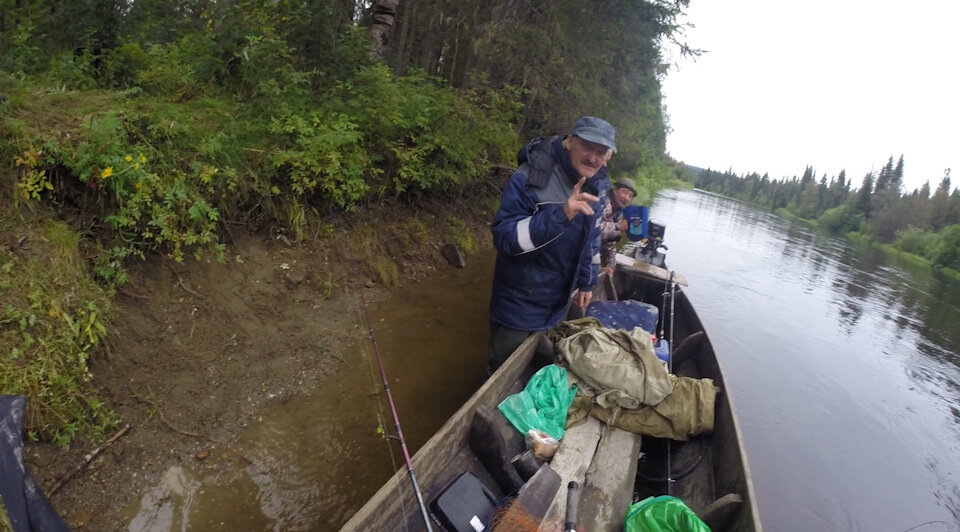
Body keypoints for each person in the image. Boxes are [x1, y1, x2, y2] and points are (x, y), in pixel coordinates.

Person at [487, 116, 616, 374]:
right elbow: (504, 237)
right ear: (570, 142)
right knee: (500, 370)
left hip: (556, 300)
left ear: (608, 157)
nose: (593, 157)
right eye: (588, 147)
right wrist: (561, 215)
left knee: (534, 365)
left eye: (601, 152)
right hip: (519, 300)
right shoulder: (531, 176)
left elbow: (591, 240)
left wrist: (587, 281)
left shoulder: (598, 185)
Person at [599, 177, 636, 276]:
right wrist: (618, 226)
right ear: (615, 190)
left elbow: (610, 242)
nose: (626, 198)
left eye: (630, 195)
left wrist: (610, 265)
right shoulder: (603, 202)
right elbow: (594, 230)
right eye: (624, 192)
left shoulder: (618, 211)